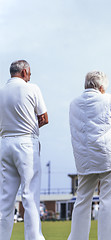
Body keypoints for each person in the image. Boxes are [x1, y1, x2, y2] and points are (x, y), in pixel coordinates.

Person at [68, 71, 111, 240]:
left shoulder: (73, 103)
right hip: (108, 156)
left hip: (84, 157)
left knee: (82, 200)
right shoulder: (108, 99)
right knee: (108, 201)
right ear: (102, 87)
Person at [0, 60, 48, 240]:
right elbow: (44, 117)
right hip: (26, 142)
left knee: (5, 199)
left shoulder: (1, 91)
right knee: (30, 196)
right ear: (25, 71)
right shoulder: (32, 88)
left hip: (5, 143)